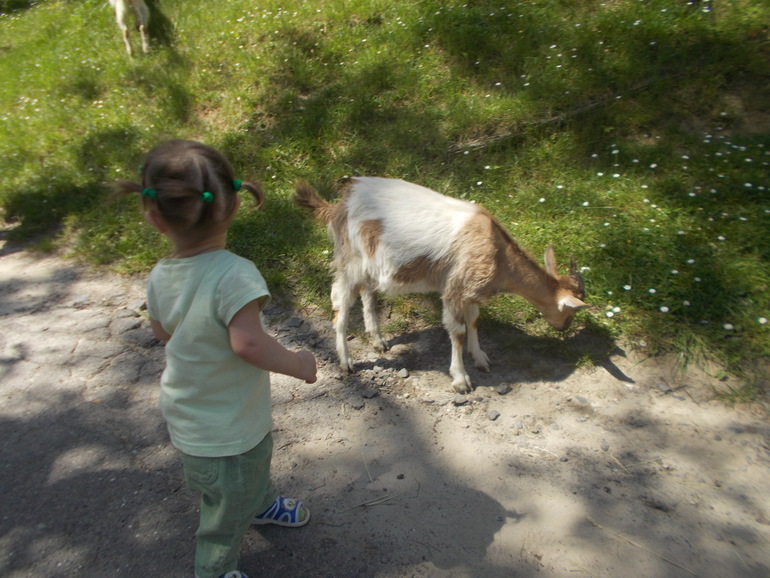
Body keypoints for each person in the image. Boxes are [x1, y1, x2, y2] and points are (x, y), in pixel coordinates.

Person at [115, 139, 318, 578]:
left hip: (193, 419)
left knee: (240, 479)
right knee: (225, 511)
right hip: (228, 430)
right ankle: (215, 566)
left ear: (154, 219)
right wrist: (299, 363)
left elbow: (160, 331)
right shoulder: (235, 274)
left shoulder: (160, 274)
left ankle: (260, 503)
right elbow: (248, 344)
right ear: (234, 206)